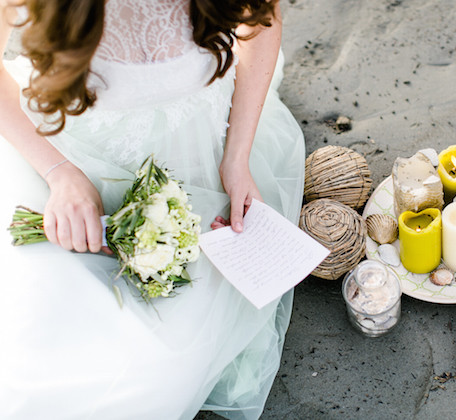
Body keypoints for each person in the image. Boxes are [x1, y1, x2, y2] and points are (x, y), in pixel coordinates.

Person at [0, 0, 305, 419]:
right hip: (62, 158)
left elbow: (262, 21)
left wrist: (237, 158)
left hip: (195, 161)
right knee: (35, 344)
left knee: (160, 375)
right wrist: (60, 174)